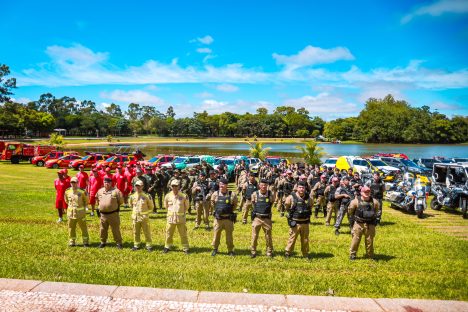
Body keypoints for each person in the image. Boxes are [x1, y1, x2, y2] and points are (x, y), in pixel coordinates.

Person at [348, 186, 381, 260]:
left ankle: (370, 255)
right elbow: (350, 212)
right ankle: (352, 254)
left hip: (370, 224)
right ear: (361, 192)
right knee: (355, 239)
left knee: (369, 240)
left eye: (368, 192)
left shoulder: (374, 202)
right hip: (359, 223)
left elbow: (376, 211)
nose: (367, 193)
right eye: (365, 192)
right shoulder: (355, 201)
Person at [284, 181, 313, 259]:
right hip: (295, 223)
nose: (301, 189)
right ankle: (288, 253)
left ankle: (305, 254)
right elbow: (287, 207)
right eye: (300, 187)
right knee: (292, 239)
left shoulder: (309, 198)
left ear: (305, 188)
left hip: (305, 223)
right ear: (296, 188)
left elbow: (310, 206)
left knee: (305, 240)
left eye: (303, 188)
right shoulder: (291, 197)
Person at [210, 178, 238, 256]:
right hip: (218, 219)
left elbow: (235, 205)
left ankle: (230, 250)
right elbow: (212, 203)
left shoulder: (232, 194)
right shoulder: (215, 194)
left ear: (226, 185)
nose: (221, 186)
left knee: (229, 236)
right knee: (216, 235)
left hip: (228, 219)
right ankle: (215, 249)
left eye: (223, 184)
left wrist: (227, 211)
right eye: (220, 184)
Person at [96, 177, 124, 249]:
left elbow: (121, 201)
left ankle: (119, 243)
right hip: (103, 215)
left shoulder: (116, 191)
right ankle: (103, 242)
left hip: (113, 214)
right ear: (103, 183)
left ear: (111, 183)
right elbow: (97, 199)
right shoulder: (100, 191)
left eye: (108, 182)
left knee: (115, 229)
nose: (106, 184)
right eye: (105, 182)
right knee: (102, 229)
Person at [250, 179, 275, 258]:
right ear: (259, 186)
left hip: (267, 218)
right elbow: (253, 204)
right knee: (254, 235)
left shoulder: (271, 194)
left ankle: (269, 251)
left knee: (268, 236)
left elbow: (271, 203)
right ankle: (253, 251)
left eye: (265, 185)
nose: (263, 187)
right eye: (262, 185)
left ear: (267, 186)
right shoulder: (254, 194)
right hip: (257, 218)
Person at [163, 179, 190, 254]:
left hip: (180, 219)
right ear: (171, 186)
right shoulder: (167, 196)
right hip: (171, 219)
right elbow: (166, 206)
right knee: (168, 233)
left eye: (176, 186)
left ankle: (185, 248)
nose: (174, 187)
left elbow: (187, 206)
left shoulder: (184, 196)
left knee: (183, 234)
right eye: (173, 186)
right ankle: (167, 246)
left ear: (179, 186)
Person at [129, 180, 154, 251]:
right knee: (135, 232)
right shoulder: (132, 196)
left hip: (144, 218)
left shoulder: (147, 196)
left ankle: (149, 246)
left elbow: (151, 207)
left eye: (139, 186)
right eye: (136, 186)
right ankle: (136, 245)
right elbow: (131, 205)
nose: (137, 187)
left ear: (142, 186)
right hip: (135, 218)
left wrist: (145, 213)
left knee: (147, 232)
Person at [64, 177, 89, 247]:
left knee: (83, 227)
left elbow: (86, 201)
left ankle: (85, 242)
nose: (73, 184)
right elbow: (66, 200)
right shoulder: (67, 191)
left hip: (80, 214)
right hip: (71, 214)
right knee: (71, 228)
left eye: (74, 182)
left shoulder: (82, 191)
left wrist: (83, 208)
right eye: (72, 182)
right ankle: (72, 241)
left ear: (77, 183)